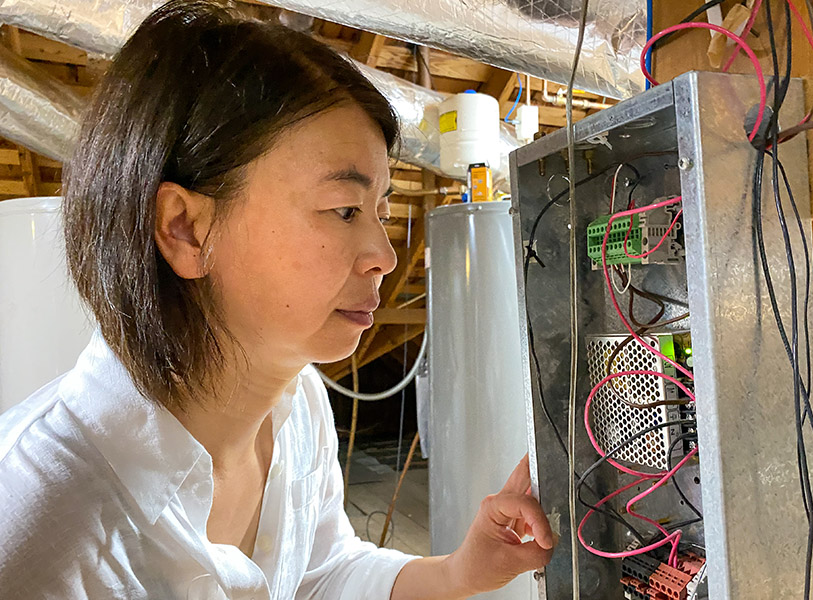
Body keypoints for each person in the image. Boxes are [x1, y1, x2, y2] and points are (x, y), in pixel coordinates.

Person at [0, 1, 555, 598]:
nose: (384, 257)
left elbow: (321, 572)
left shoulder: (297, 405)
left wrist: (459, 571)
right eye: (343, 209)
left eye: (381, 212)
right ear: (186, 229)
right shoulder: (40, 538)